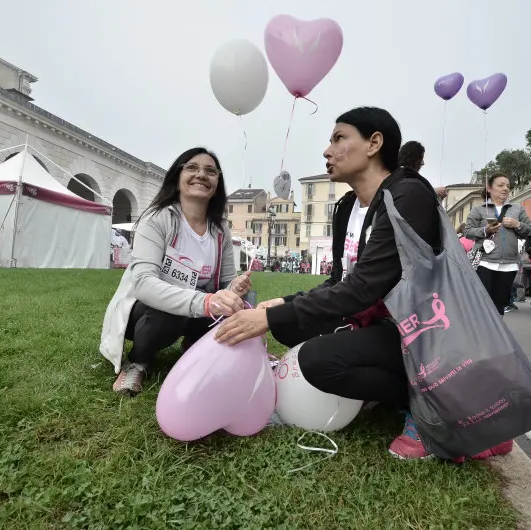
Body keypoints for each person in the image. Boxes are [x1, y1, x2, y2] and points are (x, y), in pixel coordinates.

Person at [214, 107, 511, 461]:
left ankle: (430, 405)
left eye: (339, 138)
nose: (327, 150)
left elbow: (365, 287)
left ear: (374, 143)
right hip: (380, 322)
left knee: (315, 361)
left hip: (428, 331)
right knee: (291, 327)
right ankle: (388, 388)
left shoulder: (408, 195)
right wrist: (284, 305)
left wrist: (268, 318)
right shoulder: (347, 207)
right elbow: (342, 280)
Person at [99, 147, 253, 396]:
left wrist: (232, 288)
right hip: (148, 313)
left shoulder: (221, 229)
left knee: (237, 305)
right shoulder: (157, 219)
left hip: (200, 306)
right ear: (177, 177)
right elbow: (143, 283)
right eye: (192, 168)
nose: (201, 174)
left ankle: (195, 345)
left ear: (217, 182)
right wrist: (206, 302)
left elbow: (225, 281)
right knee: (170, 311)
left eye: (210, 171)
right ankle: (138, 361)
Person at [463, 173, 531, 315]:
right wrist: (484, 230)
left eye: (508, 186)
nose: (505, 189)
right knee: (482, 304)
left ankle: (495, 336)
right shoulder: (479, 209)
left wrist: (517, 224)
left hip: (509, 264)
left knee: (499, 306)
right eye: (500, 185)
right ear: (489, 188)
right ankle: (480, 334)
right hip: (484, 262)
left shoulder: (517, 209)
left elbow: (528, 231)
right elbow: (467, 231)